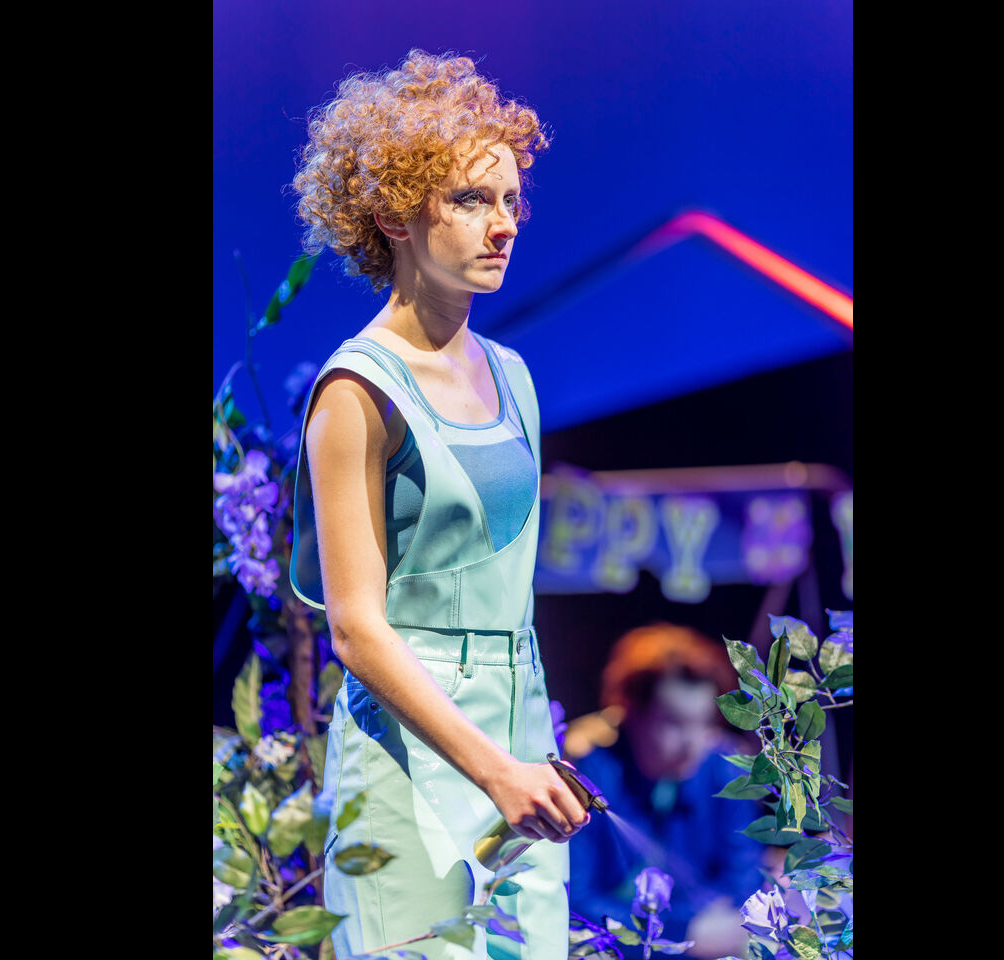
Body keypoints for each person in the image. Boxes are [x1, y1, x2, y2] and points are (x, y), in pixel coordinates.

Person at [287, 50, 588, 960]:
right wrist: (490, 768)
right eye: (469, 200)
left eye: (508, 203)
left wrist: (522, 755)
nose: (501, 227)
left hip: (520, 735)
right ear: (391, 216)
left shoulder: (515, 377)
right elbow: (354, 630)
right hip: (413, 751)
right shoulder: (357, 390)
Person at [565, 624, 767, 959]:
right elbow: (576, 902)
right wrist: (683, 934)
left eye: (703, 723)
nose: (692, 744)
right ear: (629, 712)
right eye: (673, 723)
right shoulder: (590, 774)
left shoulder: (725, 770)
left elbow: (742, 887)